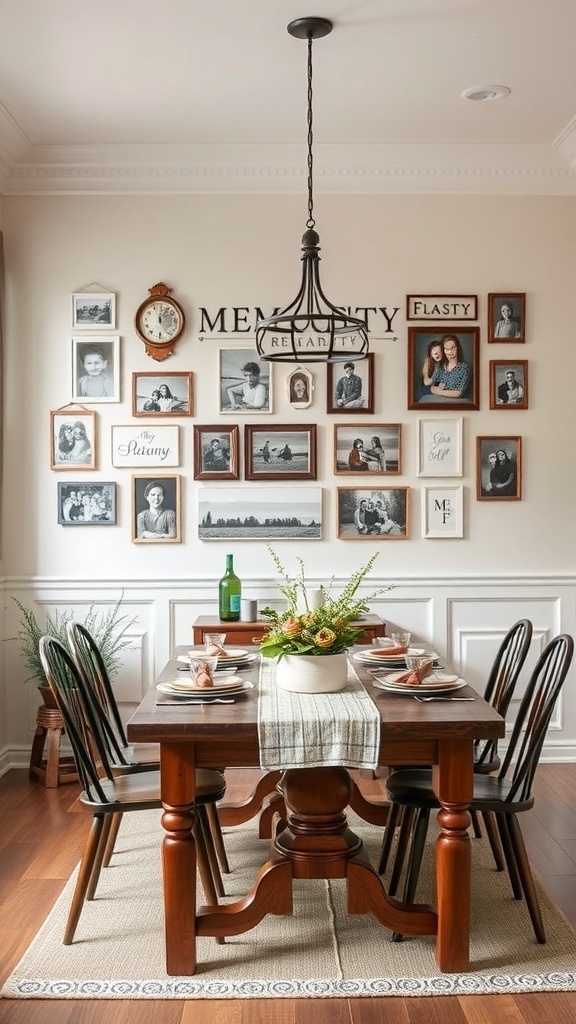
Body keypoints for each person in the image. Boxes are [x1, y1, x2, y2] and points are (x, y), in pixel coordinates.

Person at [419, 334, 471, 402]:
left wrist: (438, 390)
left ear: (458, 348)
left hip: (456, 401)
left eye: (453, 348)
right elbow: (429, 383)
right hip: (439, 398)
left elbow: (459, 393)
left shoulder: (465, 367)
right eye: (447, 349)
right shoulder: (440, 365)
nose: (450, 352)